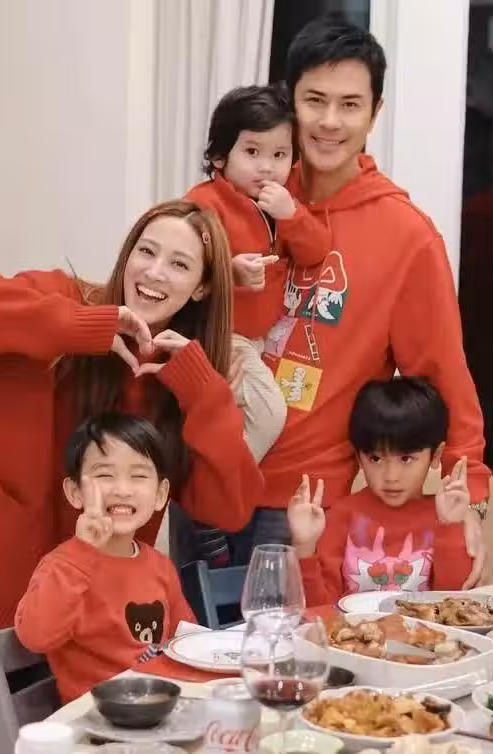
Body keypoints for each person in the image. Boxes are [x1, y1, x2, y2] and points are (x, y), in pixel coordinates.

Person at [0, 199, 263, 754]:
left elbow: (227, 505)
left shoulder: (182, 371)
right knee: (9, 738)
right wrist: (83, 327)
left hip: (95, 591)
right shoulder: (66, 299)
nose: (155, 272)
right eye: (146, 251)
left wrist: (203, 390)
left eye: (180, 264)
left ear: (202, 288)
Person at [225, 18, 490, 578]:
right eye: (314, 100)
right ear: (289, 102)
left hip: (304, 506)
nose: (329, 121)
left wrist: (471, 495)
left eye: (350, 105)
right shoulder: (245, 194)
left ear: (374, 114)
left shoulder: (406, 235)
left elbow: (441, 374)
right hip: (206, 481)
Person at [185, 84, 333, 563]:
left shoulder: (280, 205)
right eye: (252, 152)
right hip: (215, 333)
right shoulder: (204, 203)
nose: (266, 167)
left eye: (279, 155)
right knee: (268, 413)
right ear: (219, 157)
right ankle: (209, 498)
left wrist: (293, 215)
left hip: (255, 340)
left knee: (239, 419)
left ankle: (212, 486)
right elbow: (183, 268)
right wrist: (228, 272)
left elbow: (315, 251)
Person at [15, 413, 196, 703]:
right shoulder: (63, 565)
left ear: (160, 494)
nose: (122, 490)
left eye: (138, 476)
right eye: (104, 475)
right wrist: (81, 553)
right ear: (75, 492)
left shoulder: (159, 566)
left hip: (157, 708)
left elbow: (186, 640)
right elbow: (36, 636)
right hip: (94, 718)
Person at [288, 377, 472, 606]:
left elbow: (454, 605)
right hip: (351, 629)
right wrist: (304, 547)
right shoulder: (342, 515)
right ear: (359, 457)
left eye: (406, 458)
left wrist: (451, 527)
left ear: (435, 455)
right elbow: (318, 608)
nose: (391, 476)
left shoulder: (443, 515)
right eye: (375, 458)